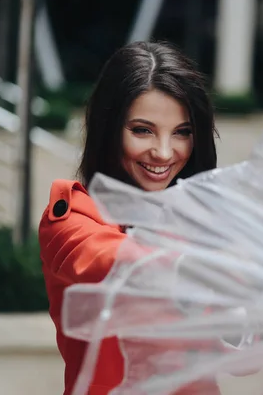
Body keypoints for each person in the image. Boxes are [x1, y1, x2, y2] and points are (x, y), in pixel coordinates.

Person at [39, 41, 227, 395]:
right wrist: (205, 266)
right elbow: (103, 258)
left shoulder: (201, 222)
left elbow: (245, 358)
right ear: (109, 129)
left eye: (182, 132)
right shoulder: (72, 215)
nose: (164, 152)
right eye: (143, 130)